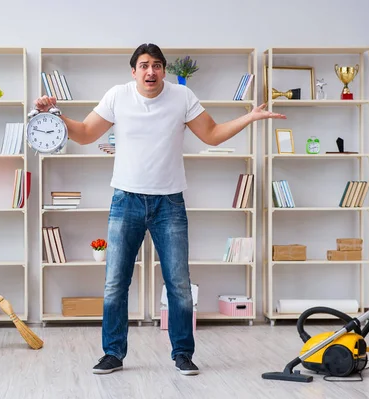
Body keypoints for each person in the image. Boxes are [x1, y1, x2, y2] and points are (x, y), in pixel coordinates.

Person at [34, 43, 286, 376]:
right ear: (133, 71)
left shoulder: (182, 97)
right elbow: (83, 134)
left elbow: (211, 134)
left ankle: (183, 353)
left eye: (156, 65)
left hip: (169, 203)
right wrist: (53, 115)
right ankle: (113, 353)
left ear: (164, 70)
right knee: (114, 283)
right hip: (126, 200)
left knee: (178, 283)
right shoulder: (117, 96)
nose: (150, 71)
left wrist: (250, 117)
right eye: (143, 65)